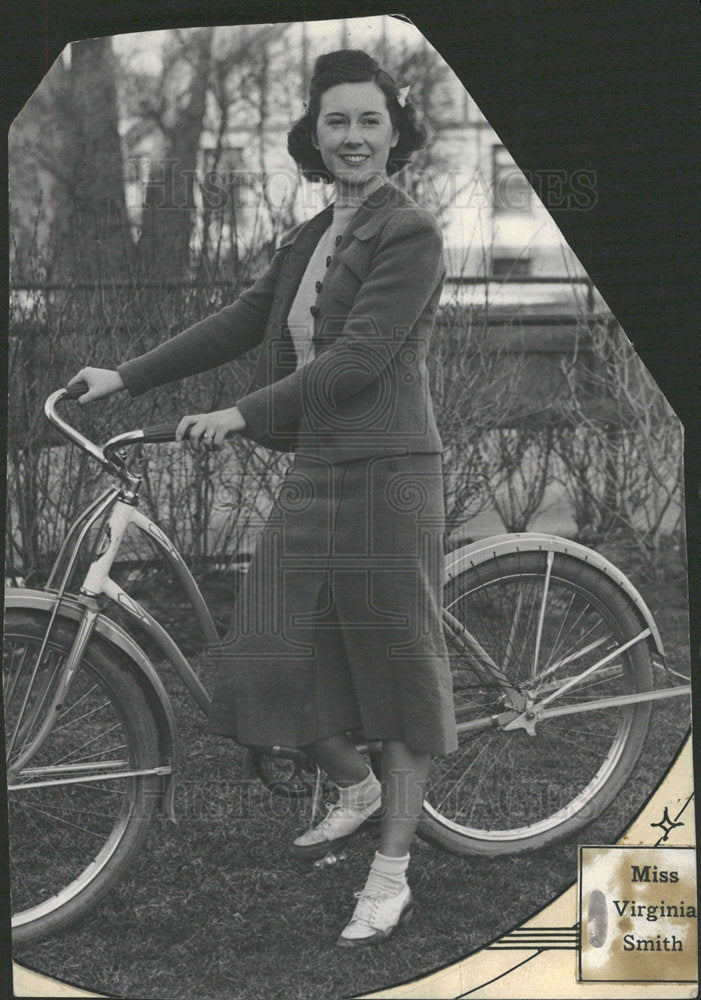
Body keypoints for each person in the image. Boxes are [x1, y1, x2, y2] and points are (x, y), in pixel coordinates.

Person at [68, 48, 458, 947]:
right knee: (261, 657)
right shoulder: (311, 232)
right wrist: (124, 375)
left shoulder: (409, 232)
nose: (351, 136)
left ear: (394, 132)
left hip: (389, 472)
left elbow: (358, 360)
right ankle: (356, 789)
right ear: (312, 135)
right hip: (319, 463)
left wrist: (241, 414)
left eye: (368, 120)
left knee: (396, 679)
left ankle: (390, 877)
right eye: (335, 121)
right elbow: (243, 320)